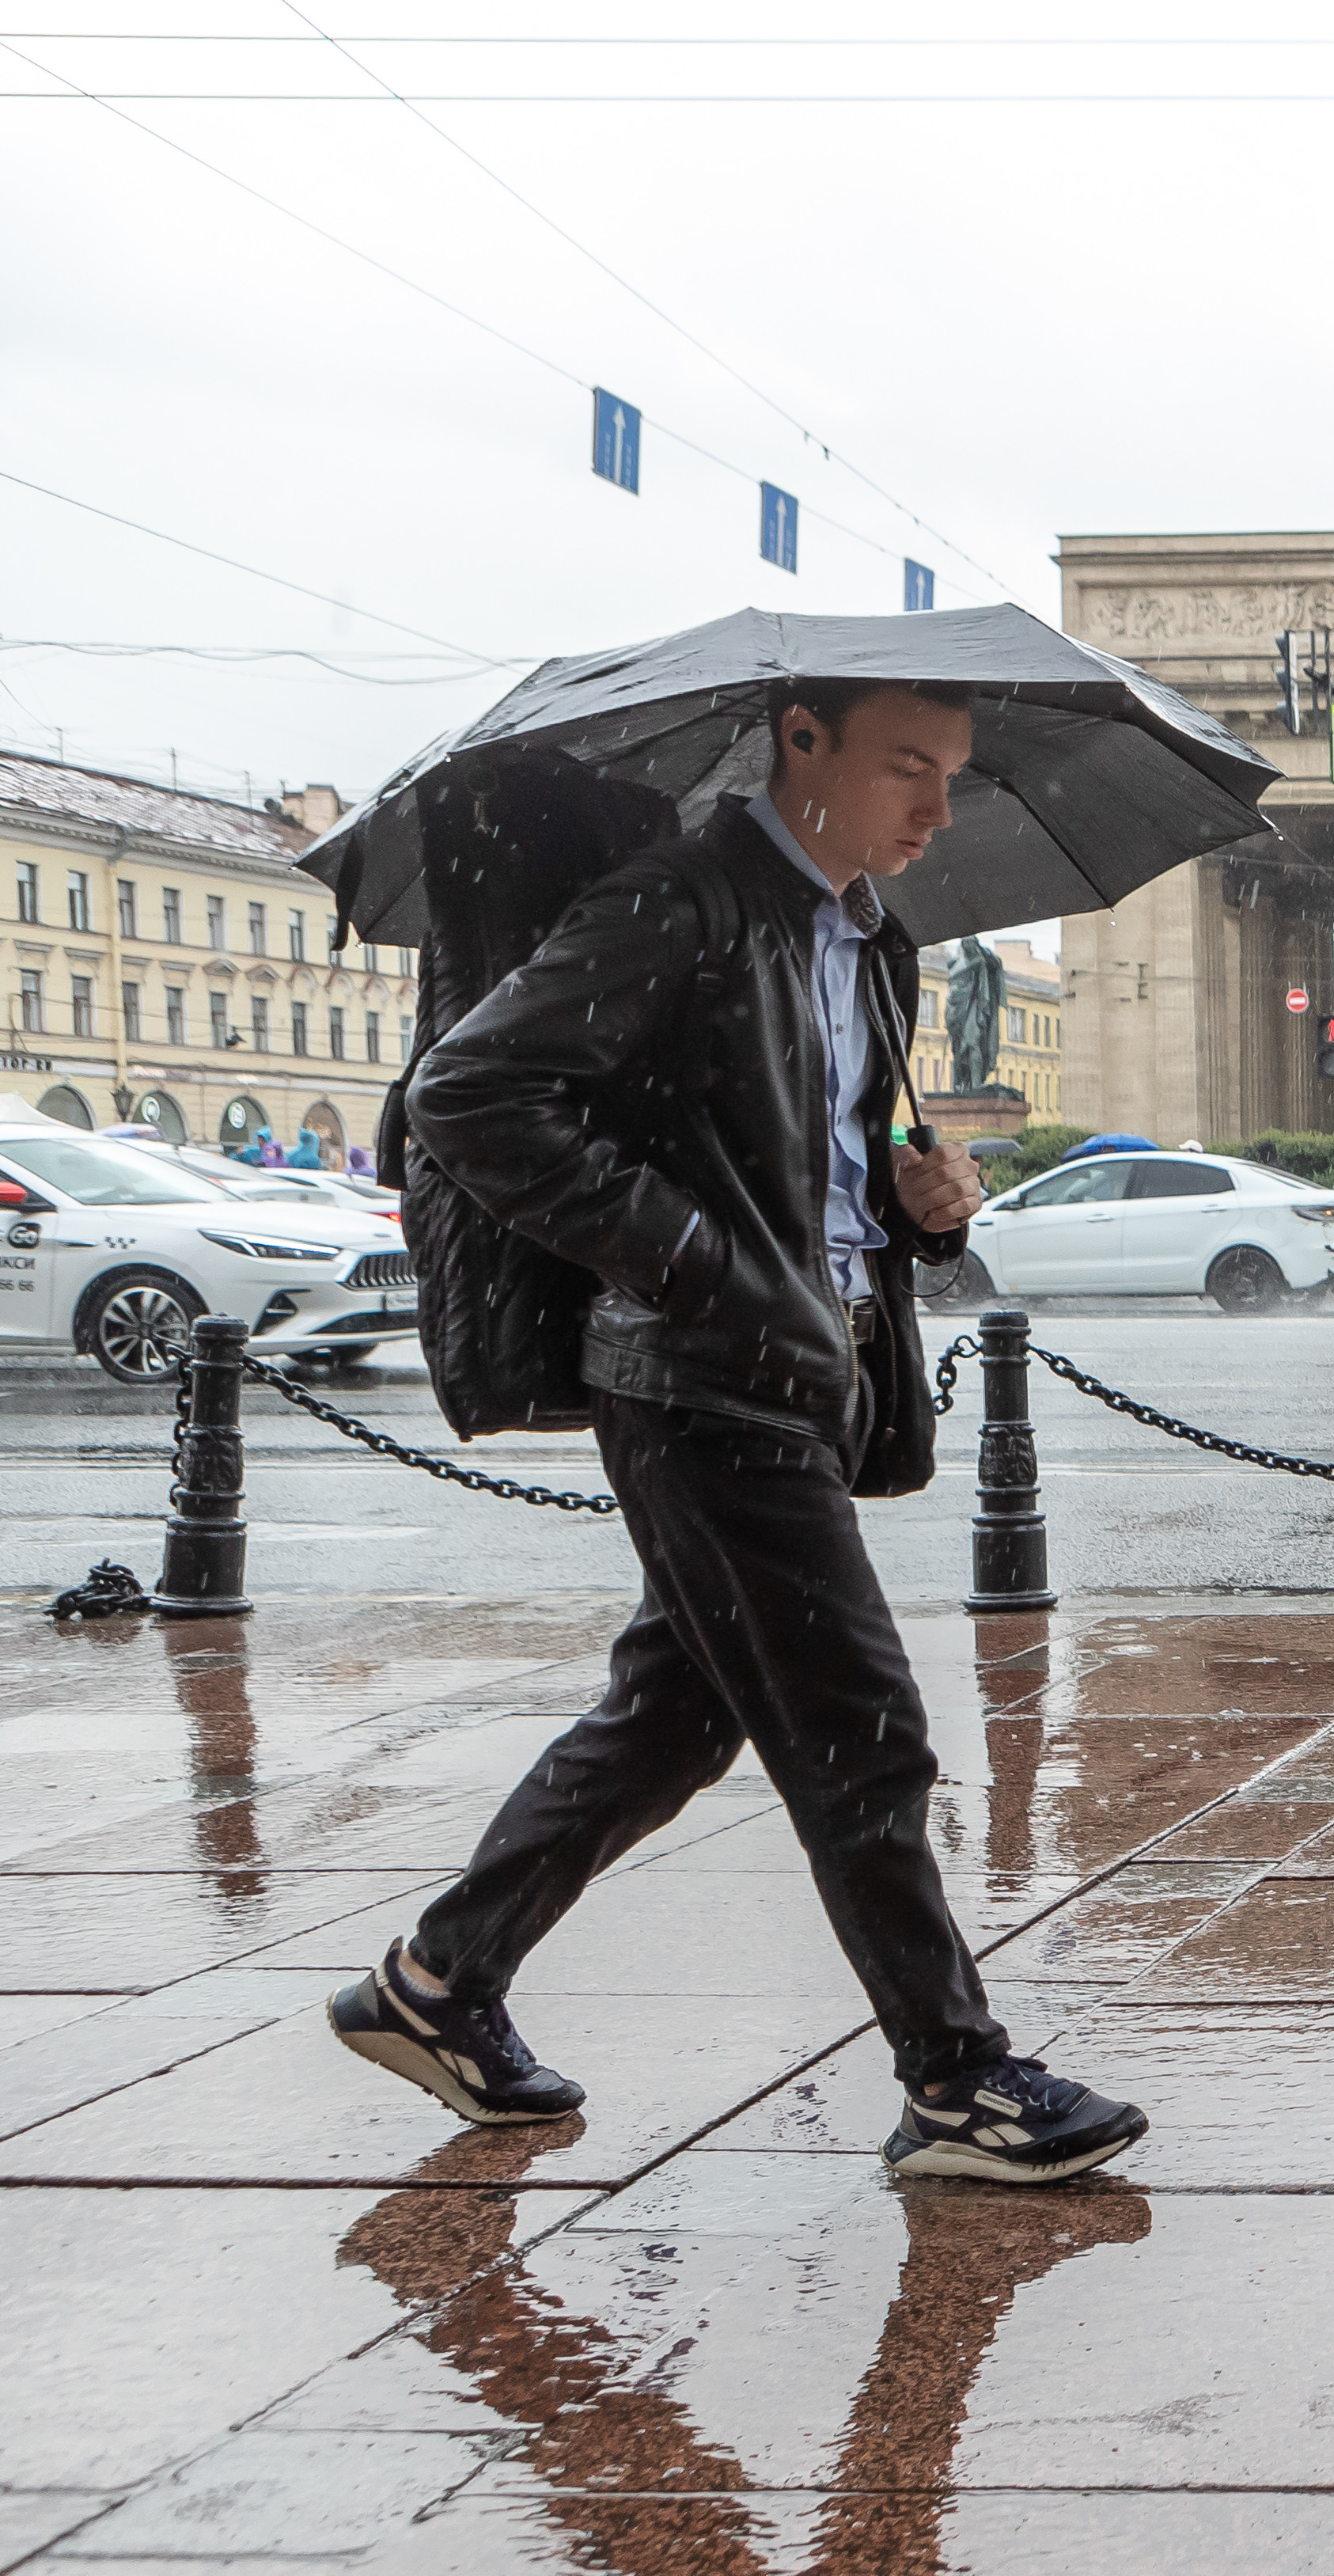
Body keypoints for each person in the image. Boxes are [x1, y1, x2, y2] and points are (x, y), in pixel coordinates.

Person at [331, 673, 1150, 2188]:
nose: (935, 806)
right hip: (697, 1378)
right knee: (863, 1731)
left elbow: (809, 1164)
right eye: (908, 764)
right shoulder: (687, 898)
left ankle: (435, 1982)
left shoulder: (861, 937)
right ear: (801, 743)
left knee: (678, 1711)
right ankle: (958, 2079)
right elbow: (470, 1094)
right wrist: (700, 1264)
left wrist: (917, 1204)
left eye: (952, 774)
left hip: (794, 1368)